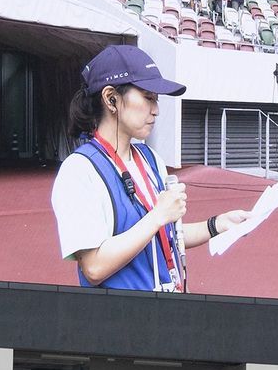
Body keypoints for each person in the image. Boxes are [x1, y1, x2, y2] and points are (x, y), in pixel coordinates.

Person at [51, 45, 249, 291]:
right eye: (148, 97)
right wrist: (157, 216)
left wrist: (217, 224)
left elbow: (165, 235)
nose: (156, 110)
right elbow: (94, 267)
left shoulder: (150, 159)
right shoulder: (79, 170)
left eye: (156, 99)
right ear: (111, 98)